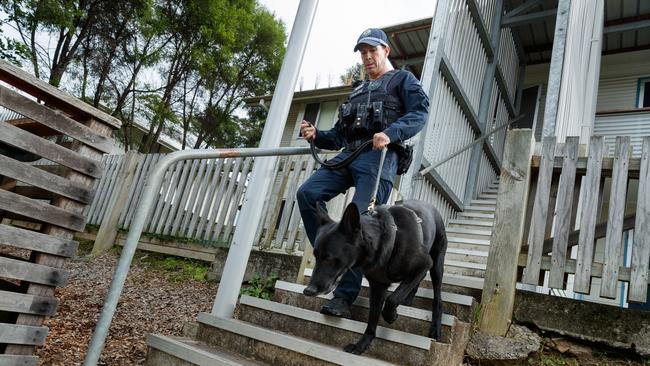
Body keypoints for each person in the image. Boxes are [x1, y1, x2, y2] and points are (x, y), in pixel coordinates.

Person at [296, 28, 430, 318]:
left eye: (373, 50)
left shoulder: (402, 79)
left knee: (358, 220)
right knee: (307, 194)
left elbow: (420, 113)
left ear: (386, 51)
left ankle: (344, 296)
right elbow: (338, 136)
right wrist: (316, 134)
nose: (367, 57)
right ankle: (329, 257)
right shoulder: (357, 89)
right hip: (348, 155)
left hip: (378, 157)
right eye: (362, 52)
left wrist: (391, 133)